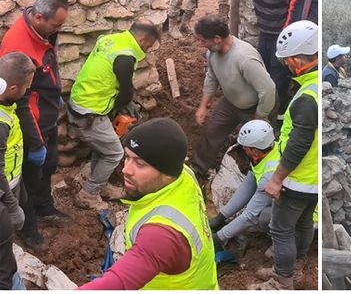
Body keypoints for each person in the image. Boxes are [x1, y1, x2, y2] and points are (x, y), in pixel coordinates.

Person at [78, 118, 218, 289]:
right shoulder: (184, 175)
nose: (125, 170)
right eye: (127, 157)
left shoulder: (161, 234)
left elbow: (117, 284)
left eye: (140, 164)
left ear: (167, 173)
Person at [0, 0, 70, 251]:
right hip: (34, 124)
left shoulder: (42, 31)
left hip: (48, 116)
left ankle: (45, 208)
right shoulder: (18, 46)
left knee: (48, 166)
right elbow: (20, 102)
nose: (58, 30)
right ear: (39, 17)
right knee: (28, 179)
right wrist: (35, 141)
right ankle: (29, 229)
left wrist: (56, 97)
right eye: (56, 25)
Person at [251, 20, 318, 290]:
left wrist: (277, 179)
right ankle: (296, 267)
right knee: (302, 224)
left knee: (281, 229)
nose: (287, 66)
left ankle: (283, 278)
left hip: (297, 178)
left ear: (299, 58)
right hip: (312, 180)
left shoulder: (306, 99)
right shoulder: (316, 87)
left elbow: (298, 145)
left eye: (288, 60)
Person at [68, 19, 161, 211]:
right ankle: (89, 194)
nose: (147, 49)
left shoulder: (110, 40)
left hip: (81, 101)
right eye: (149, 45)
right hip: (90, 113)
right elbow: (126, 92)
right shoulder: (126, 56)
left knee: (104, 147)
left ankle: (97, 182)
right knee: (114, 153)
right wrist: (123, 105)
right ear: (143, 39)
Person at [191, 15, 276, 180]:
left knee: (257, 145)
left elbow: (268, 89)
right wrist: (203, 106)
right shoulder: (212, 53)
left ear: (217, 39)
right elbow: (212, 77)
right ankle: (198, 170)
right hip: (231, 103)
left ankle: (256, 178)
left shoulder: (244, 58)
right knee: (212, 132)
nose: (200, 45)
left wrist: (260, 116)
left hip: (258, 106)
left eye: (203, 40)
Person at [230, 0, 297, 125]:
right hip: (265, 36)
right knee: (263, 74)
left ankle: (276, 120)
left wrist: (287, 40)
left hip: (280, 38)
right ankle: (264, 114)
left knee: (277, 81)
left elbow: (295, 10)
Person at [209, 120, 278, 246]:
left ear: (255, 151)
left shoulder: (270, 173)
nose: (243, 150)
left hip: (304, 214)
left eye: (245, 148)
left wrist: (219, 238)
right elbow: (247, 187)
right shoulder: (267, 151)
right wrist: (221, 217)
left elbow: (251, 215)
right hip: (284, 200)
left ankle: (284, 244)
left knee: (264, 217)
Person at [0, 53, 36, 289]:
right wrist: (12, 207)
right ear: (13, 87)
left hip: (13, 180)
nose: (27, 92)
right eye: (26, 88)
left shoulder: (5, 104)